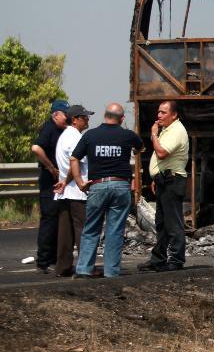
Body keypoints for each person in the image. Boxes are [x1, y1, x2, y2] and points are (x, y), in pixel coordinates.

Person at [70, 103, 143, 278]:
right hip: (120, 185)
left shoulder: (91, 135)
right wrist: (134, 149)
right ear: (122, 119)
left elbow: (74, 158)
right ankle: (111, 272)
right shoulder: (127, 135)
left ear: (105, 115)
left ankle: (84, 269)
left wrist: (80, 182)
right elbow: (140, 148)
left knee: (91, 228)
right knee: (115, 230)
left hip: (98, 185)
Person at [139, 100, 189, 272]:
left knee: (173, 223)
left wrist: (153, 134)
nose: (159, 115)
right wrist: (156, 177)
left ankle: (176, 259)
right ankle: (158, 258)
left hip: (172, 181)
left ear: (174, 115)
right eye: (158, 112)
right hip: (164, 180)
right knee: (161, 222)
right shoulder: (167, 130)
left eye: (163, 112)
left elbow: (161, 153)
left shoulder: (176, 130)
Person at [52, 105, 94, 277]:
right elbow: (74, 161)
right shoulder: (75, 137)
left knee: (65, 232)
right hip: (76, 190)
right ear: (75, 119)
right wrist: (67, 181)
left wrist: (63, 182)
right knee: (82, 229)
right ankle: (85, 267)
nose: (88, 119)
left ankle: (63, 267)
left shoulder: (65, 136)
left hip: (66, 191)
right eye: (84, 117)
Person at [31, 99, 69, 273]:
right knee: (49, 219)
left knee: (58, 219)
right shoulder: (49, 128)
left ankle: (53, 258)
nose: (67, 118)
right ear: (55, 114)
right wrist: (51, 167)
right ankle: (44, 261)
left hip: (59, 181)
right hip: (49, 180)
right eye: (64, 115)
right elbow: (36, 148)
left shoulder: (62, 130)